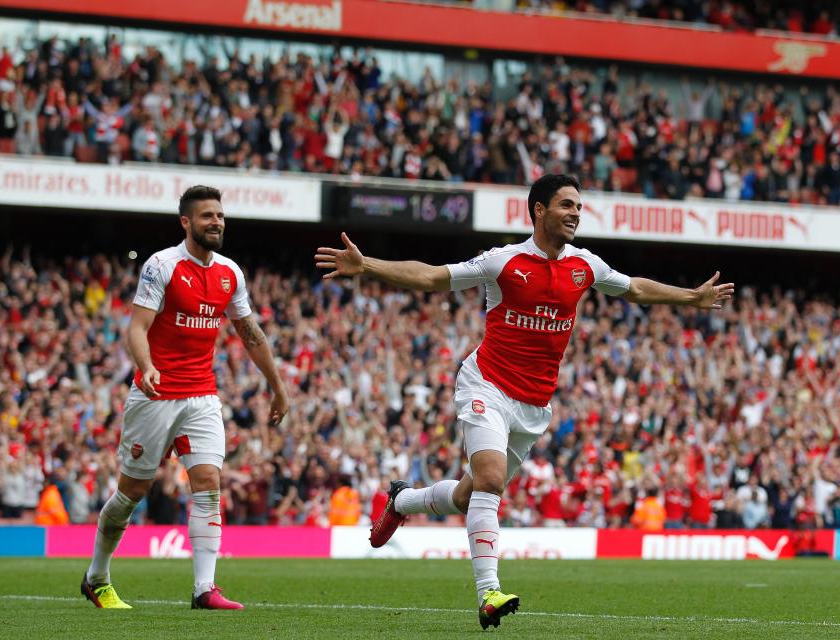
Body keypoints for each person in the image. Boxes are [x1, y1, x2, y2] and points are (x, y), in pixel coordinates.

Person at [314, 173, 734, 629]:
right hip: (486, 385)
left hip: (533, 406)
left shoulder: (585, 266)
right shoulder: (504, 262)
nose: (576, 213)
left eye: (578, 206)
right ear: (539, 210)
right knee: (490, 480)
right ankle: (488, 593)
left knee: (467, 493)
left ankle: (402, 502)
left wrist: (691, 297)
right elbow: (436, 277)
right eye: (566, 205)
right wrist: (369, 265)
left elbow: (634, 288)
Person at [80, 185, 288, 610]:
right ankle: (95, 575)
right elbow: (136, 328)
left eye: (220, 215)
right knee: (132, 493)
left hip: (201, 395)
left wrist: (278, 385)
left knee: (209, 483)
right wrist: (148, 365)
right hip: (155, 395)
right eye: (207, 216)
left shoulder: (231, 273)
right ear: (186, 222)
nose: (216, 222)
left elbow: (250, 334)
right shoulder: (162, 265)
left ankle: (204, 590)